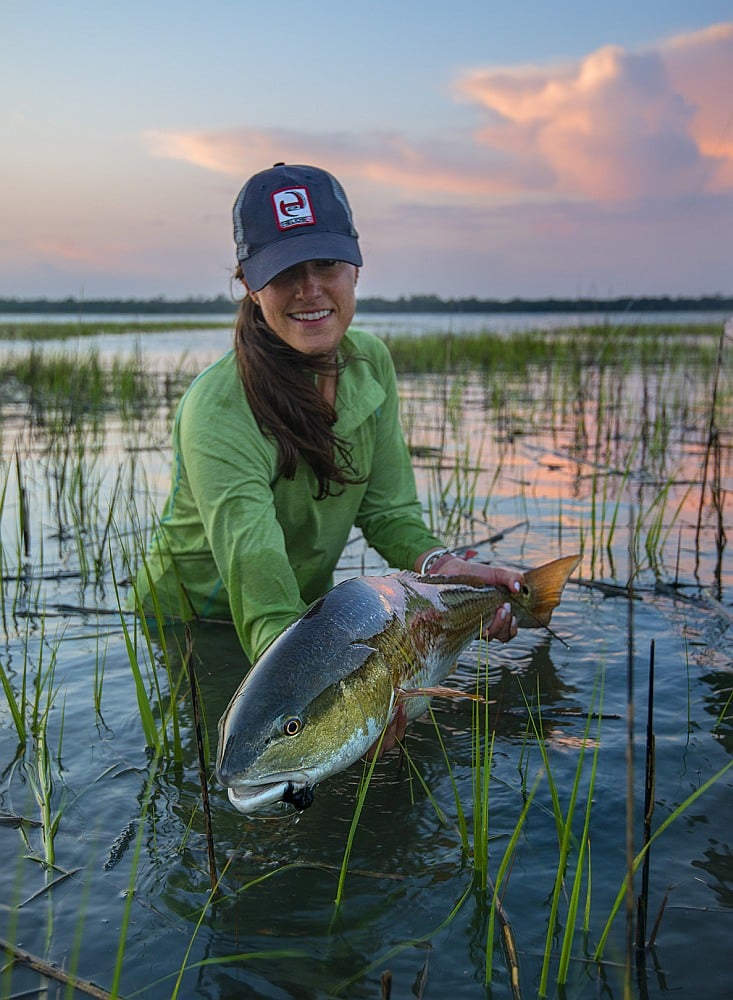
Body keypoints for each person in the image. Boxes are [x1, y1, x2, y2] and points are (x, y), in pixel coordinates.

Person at [134, 162, 523, 751]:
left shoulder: (371, 364)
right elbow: (264, 599)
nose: (310, 288)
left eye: (327, 264)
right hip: (196, 621)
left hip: (297, 617)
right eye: (286, 270)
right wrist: (339, 706)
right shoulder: (215, 409)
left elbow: (392, 516)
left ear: (357, 265)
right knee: (231, 766)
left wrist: (446, 570)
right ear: (248, 281)